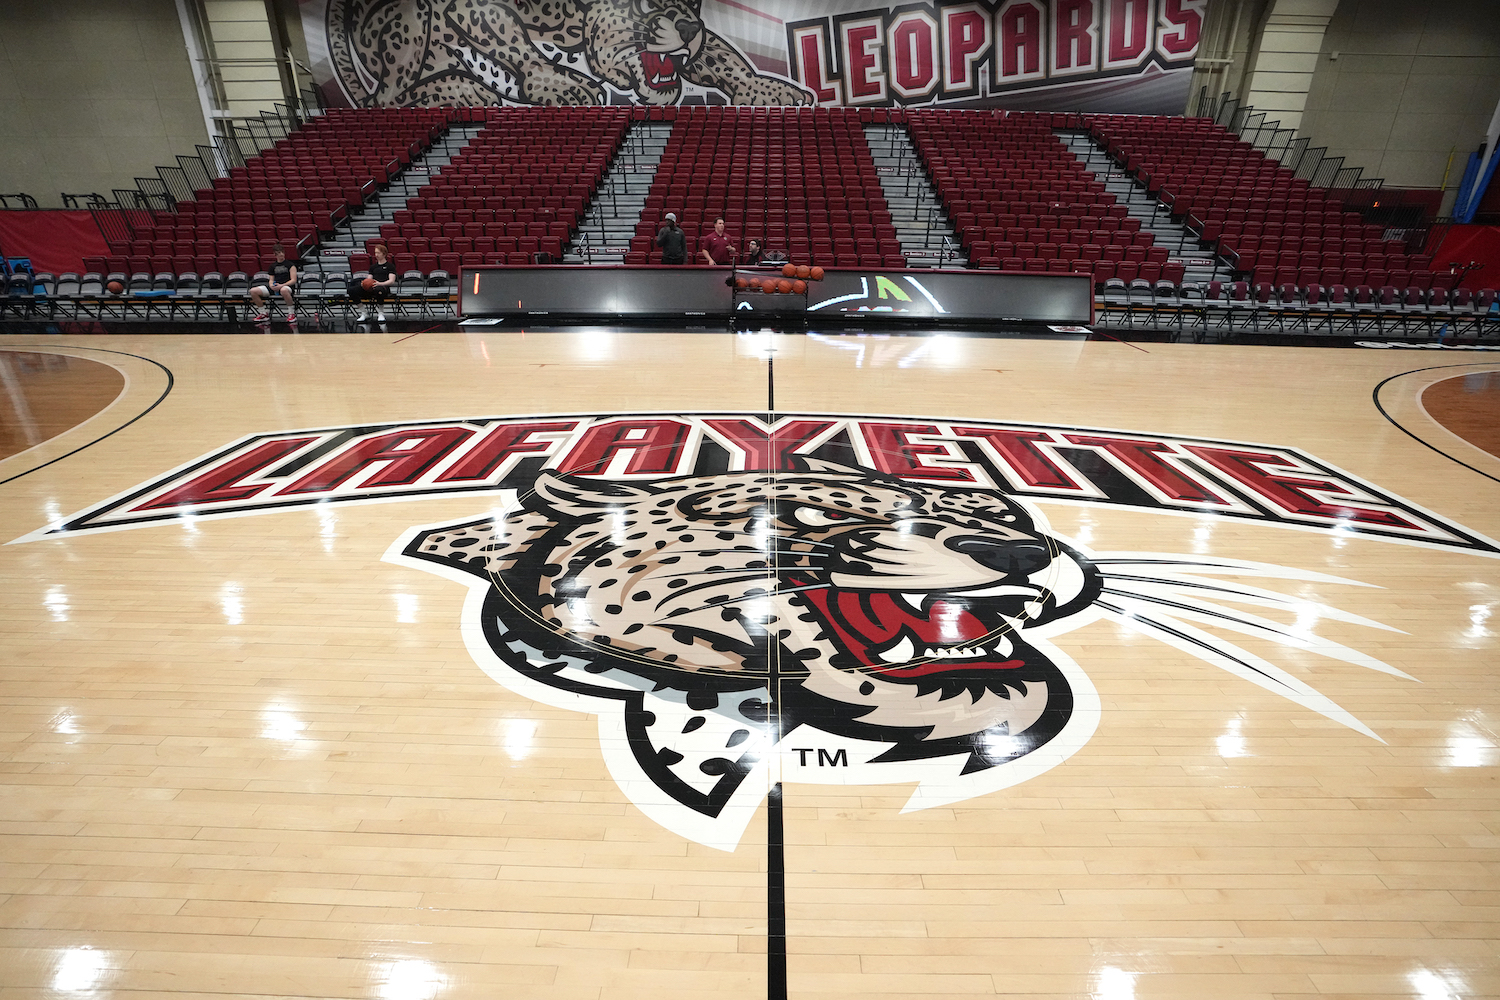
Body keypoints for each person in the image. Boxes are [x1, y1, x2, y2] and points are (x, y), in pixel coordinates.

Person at [347, 243, 397, 322]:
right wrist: (365, 283)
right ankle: (364, 313)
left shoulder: (390, 266)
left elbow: (391, 281)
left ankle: (381, 313)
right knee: (351, 290)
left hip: (383, 287)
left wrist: (380, 283)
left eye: (378, 253)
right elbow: (369, 278)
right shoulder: (373, 266)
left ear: (384, 254)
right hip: (372, 286)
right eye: (375, 253)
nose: (376, 255)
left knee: (378, 290)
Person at [250, 243, 298, 322]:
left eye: (282, 252)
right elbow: (271, 279)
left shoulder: (290, 265)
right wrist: (271, 285)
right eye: (279, 253)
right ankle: (263, 313)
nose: (281, 254)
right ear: (275, 254)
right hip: (276, 286)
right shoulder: (272, 266)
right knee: (253, 291)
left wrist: (281, 285)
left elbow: (293, 280)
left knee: (284, 290)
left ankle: (291, 313)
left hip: (286, 286)